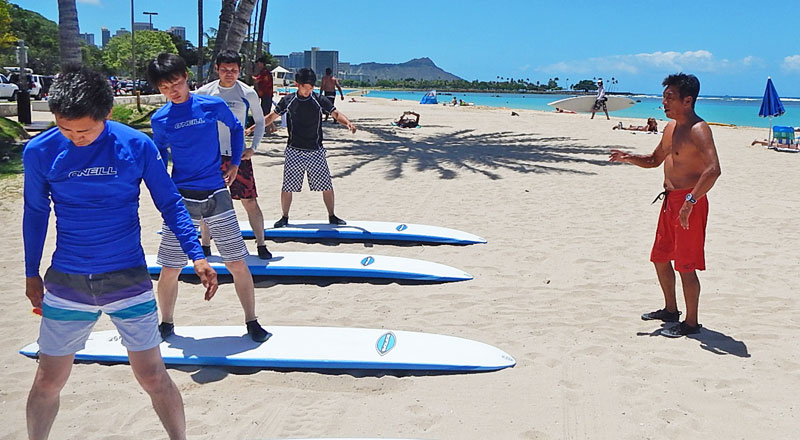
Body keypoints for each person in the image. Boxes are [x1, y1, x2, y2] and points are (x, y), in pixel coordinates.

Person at [22, 66, 218, 440]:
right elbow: (34, 212)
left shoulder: (135, 145)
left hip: (127, 279)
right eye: (65, 128)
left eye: (85, 130)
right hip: (68, 282)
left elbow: (170, 202)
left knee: (151, 374)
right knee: (48, 379)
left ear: (107, 114)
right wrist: (32, 272)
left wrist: (197, 254)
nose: (75, 138)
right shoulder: (40, 151)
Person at [147, 53, 270, 342]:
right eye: (164, 88)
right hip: (182, 198)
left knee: (237, 262)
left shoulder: (210, 104)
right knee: (170, 267)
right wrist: (163, 184)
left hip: (216, 192)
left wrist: (237, 162)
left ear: (186, 77)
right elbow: (160, 155)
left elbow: (237, 128)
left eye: (175, 83)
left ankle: (252, 321)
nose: (172, 91)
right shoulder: (161, 118)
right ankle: (166, 323)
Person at [609, 73, 721, 337]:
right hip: (670, 200)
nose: (664, 102)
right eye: (664, 96)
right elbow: (654, 159)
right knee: (660, 257)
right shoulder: (671, 128)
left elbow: (713, 170)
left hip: (690, 202)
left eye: (669, 97)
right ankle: (671, 310)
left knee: (685, 265)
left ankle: (691, 323)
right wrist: (629, 158)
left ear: (688, 100)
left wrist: (691, 200)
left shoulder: (699, 129)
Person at [249, 67, 357, 228]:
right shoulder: (288, 100)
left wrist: (347, 122)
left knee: (326, 185)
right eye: (305, 87)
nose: (308, 91)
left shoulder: (319, 99)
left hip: (316, 150)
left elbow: (335, 113)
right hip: (294, 150)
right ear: (297, 84)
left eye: (311, 88)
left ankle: (332, 215)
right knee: (288, 186)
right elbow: (271, 117)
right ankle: (284, 217)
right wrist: (253, 128)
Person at [196, 50, 272, 260]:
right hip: (212, 157)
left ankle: (261, 244)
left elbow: (260, 121)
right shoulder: (205, 92)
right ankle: (205, 245)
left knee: (249, 201)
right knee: (208, 202)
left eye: (233, 70)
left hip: (239, 155)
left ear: (239, 70)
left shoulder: (247, 93)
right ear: (217, 69)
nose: (229, 74)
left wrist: (254, 147)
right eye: (224, 70)